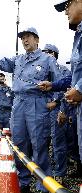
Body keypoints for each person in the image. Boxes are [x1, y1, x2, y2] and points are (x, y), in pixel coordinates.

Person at [0, 27, 61, 193]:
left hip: (37, 102)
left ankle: (43, 184)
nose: (25, 40)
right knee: (18, 142)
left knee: (39, 143)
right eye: (23, 38)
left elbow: (59, 82)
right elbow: (3, 63)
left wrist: (55, 101)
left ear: (37, 40)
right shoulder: (18, 60)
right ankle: (23, 180)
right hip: (18, 104)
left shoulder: (47, 59)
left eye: (28, 37)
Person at [38, 0, 82, 163]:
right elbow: (74, 77)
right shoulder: (78, 35)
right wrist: (53, 85)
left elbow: (76, 83)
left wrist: (79, 89)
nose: (65, 12)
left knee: (65, 144)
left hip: (65, 109)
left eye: (67, 6)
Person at [42, 44, 71, 184]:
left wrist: (58, 104)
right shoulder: (41, 71)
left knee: (58, 143)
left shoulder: (64, 71)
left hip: (56, 110)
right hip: (41, 111)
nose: (43, 55)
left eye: (46, 52)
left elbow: (67, 90)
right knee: (42, 142)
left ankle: (59, 173)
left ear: (53, 54)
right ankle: (44, 170)